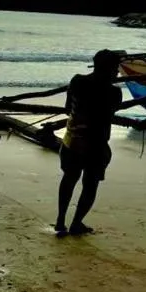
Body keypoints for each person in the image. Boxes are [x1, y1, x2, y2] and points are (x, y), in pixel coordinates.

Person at [55, 49, 123, 237]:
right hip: (96, 145)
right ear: (110, 68)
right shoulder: (114, 92)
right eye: (116, 68)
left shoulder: (77, 81)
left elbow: (68, 108)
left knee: (69, 179)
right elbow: (109, 115)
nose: (117, 72)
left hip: (72, 141)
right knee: (90, 185)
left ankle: (60, 221)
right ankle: (76, 223)